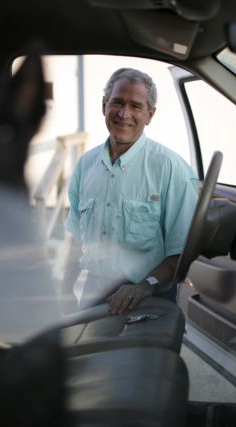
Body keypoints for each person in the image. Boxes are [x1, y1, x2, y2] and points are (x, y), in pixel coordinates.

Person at [62, 67, 198, 315]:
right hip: (92, 293)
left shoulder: (171, 169)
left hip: (148, 297)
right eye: (117, 102)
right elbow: (75, 237)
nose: (124, 114)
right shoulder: (85, 165)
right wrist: (65, 289)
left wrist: (145, 286)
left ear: (150, 114)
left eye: (136, 106)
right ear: (104, 105)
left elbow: (182, 252)